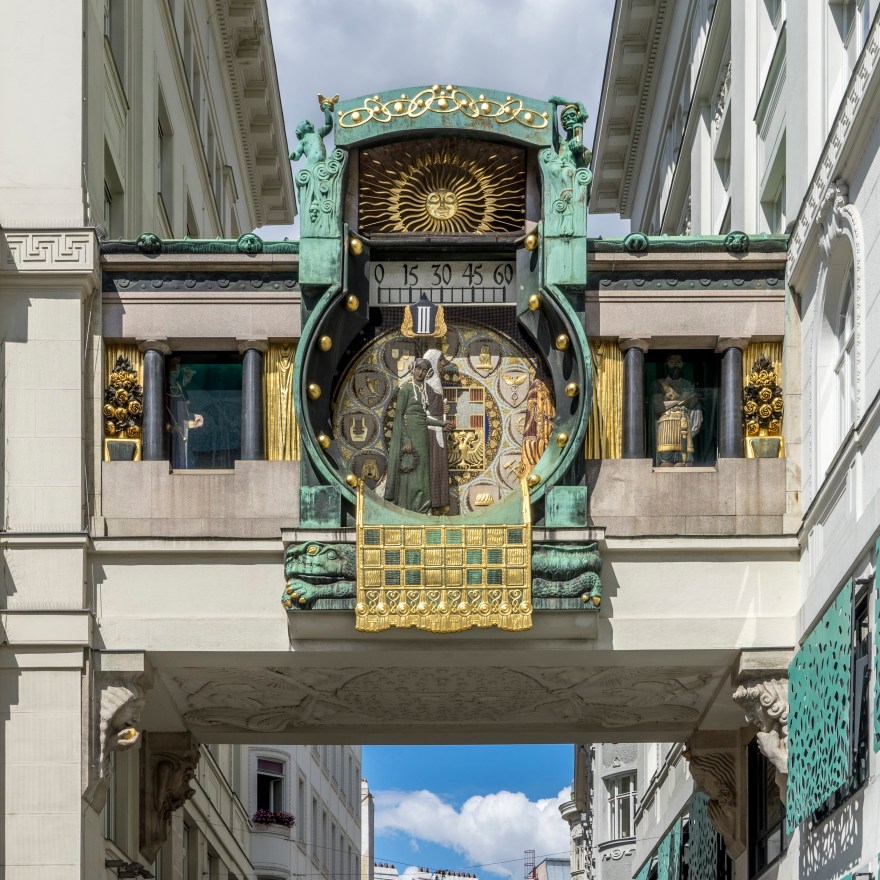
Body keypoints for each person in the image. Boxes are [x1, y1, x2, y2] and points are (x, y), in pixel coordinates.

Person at [385, 357, 451, 514]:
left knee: (422, 475)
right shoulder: (406, 390)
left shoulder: (423, 393)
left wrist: (442, 424)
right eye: (418, 369)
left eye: (424, 370)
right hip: (411, 437)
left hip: (423, 437)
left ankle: (423, 508)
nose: (420, 372)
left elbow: (422, 417)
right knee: (410, 472)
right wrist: (405, 439)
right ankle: (409, 508)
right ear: (412, 369)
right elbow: (399, 416)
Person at [652, 354, 703, 466]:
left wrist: (694, 427)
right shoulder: (659, 384)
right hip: (666, 426)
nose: (675, 365)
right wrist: (680, 400)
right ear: (666, 364)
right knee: (665, 463)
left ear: (683, 364)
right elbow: (658, 407)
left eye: (678, 362)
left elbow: (695, 406)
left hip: (684, 425)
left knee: (684, 463)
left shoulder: (688, 384)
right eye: (672, 362)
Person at [422, 348, 450, 513]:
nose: (443, 364)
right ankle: (434, 502)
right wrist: (441, 410)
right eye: (440, 360)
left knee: (438, 466)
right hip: (432, 432)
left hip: (437, 429)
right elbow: (425, 411)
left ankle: (439, 502)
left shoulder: (434, 381)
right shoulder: (429, 383)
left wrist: (442, 409)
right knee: (435, 466)